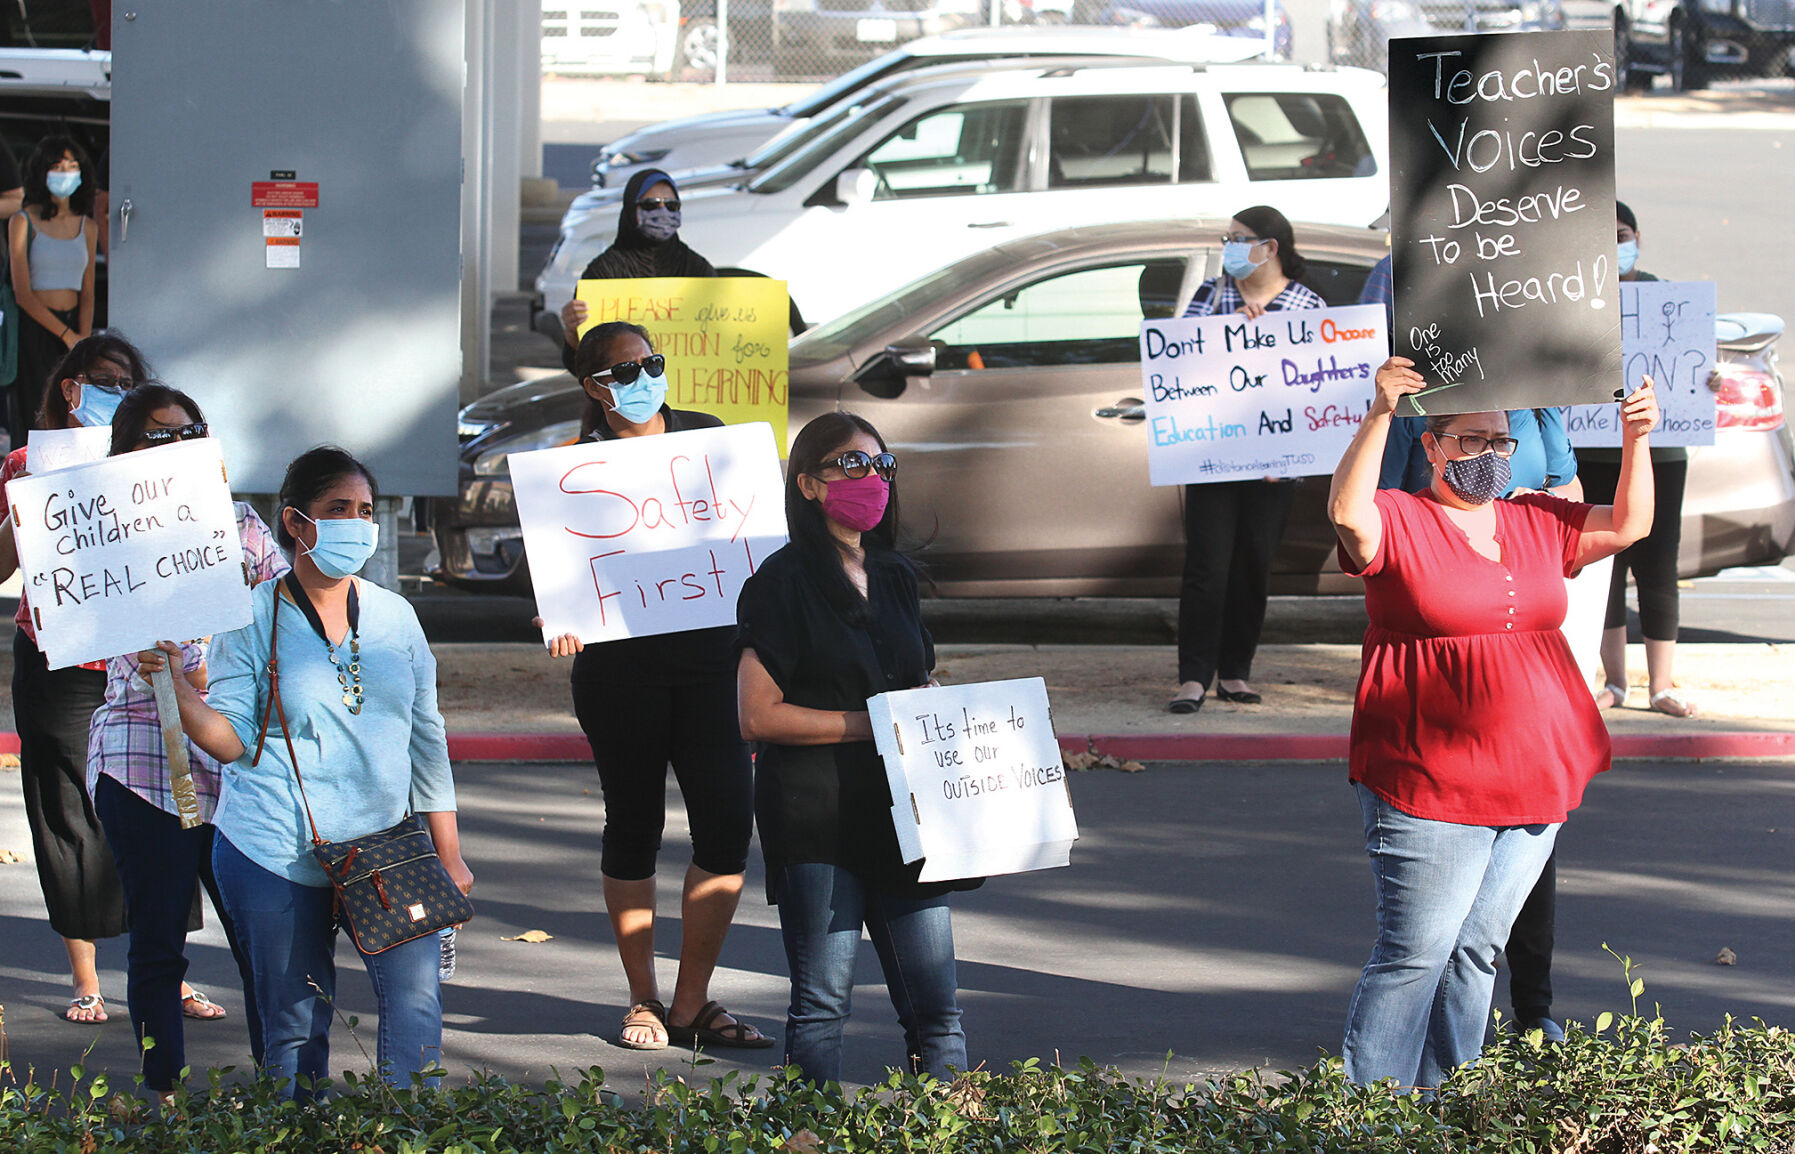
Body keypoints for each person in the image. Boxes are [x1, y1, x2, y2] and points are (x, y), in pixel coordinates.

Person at [1328, 355, 1659, 1088]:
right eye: (1471, 441)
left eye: (1500, 443)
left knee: (1477, 946)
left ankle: (1450, 1104)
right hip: (1424, 774)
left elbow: (1629, 524)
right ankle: (1375, 1114)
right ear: (1432, 445)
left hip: (1537, 770)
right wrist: (1378, 411)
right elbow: (1347, 515)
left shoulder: (1536, 519)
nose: (1488, 456)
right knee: (1417, 951)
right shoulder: (1400, 519)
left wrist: (1636, 438)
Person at [141, 446, 473, 1098]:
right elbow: (231, 741)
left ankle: (414, 1135)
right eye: (338, 510)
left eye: (366, 511)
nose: (357, 523)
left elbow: (426, 741)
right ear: (295, 523)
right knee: (295, 1030)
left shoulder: (396, 615)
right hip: (271, 848)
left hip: (386, 847)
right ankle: (298, 1132)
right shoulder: (250, 614)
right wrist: (179, 695)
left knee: (416, 1012)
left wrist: (450, 853)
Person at [535, 321, 769, 1052]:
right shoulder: (570, 467)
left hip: (712, 667)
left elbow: (750, 545)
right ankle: (641, 996)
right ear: (592, 387)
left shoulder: (709, 439)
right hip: (619, 674)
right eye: (623, 369)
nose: (641, 378)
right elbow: (561, 584)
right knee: (633, 827)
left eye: (651, 363)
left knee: (727, 829)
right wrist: (558, 615)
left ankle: (690, 1002)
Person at [736, 411, 974, 1086]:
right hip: (818, 821)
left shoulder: (895, 575)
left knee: (937, 1012)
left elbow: (909, 679)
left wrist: (939, 708)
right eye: (852, 465)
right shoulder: (778, 583)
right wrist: (872, 723)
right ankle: (807, 1131)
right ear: (809, 485)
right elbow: (756, 715)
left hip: (906, 816)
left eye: (881, 465)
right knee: (821, 1006)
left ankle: (948, 1131)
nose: (871, 479)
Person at [87, 386, 289, 1098]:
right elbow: (73, 621)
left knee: (259, 937)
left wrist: (215, 671)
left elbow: (284, 617)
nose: (175, 446)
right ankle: (161, 1094)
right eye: (157, 435)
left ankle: (281, 1091)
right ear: (124, 450)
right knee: (158, 936)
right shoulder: (100, 530)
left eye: (189, 432)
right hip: (140, 757)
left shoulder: (239, 525)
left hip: (232, 758)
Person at [0, 332, 152, 1024]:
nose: (112, 394)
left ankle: (166, 972)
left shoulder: (153, 467)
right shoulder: (27, 463)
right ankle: (85, 977)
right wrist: (22, 508)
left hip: (140, 663)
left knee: (160, 811)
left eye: (127, 384)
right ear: (70, 387)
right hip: (55, 660)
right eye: (103, 381)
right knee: (65, 811)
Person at [1170, 206, 1325, 713]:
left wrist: (1295, 456)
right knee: (1206, 567)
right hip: (1213, 456)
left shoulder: (1306, 305)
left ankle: (1235, 672)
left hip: (1272, 464)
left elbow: (1317, 383)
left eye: (1238, 238)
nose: (1228, 246)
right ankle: (1193, 677)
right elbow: (1181, 364)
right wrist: (1228, 333)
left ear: (1270, 247)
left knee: (1254, 566)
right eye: (1227, 237)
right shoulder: (1212, 296)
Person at [1579, 202, 1696, 717]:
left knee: (1657, 564)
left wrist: (1706, 381)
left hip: (1660, 452)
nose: (1615, 244)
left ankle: (1662, 685)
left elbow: (1694, 363)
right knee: (1604, 561)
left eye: (1621, 234)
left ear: (1638, 237)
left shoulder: (1667, 296)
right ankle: (1617, 683)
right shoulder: (1576, 299)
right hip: (1594, 448)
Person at [556, 170, 715, 375]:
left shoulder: (696, 269)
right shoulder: (604, 273)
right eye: (650, 205)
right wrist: (572, 330)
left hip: (687, 396)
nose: (663, 211)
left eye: (671, 205)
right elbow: (580, 364)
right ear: (631, 209)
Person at [6, 136, 99, 447]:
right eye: (57, 166)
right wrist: (66, 335)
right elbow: (23, 294)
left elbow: (88, 292)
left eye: (72, 166)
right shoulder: (22, 221)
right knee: (34, 417)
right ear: (42, 172)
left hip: (73, 332)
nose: (65, 173)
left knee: (70, 416)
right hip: (34, 331)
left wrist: (81, 340)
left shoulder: (87, 226)